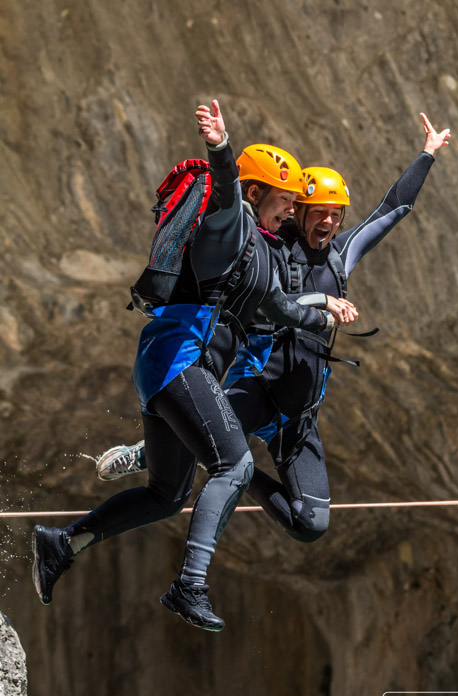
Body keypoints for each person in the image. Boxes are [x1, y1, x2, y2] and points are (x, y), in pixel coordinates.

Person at [32, 100, 353, 632]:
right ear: (256, 194)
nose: (287, 213)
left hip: (167, 362)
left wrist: (321, 318)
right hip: (177, 359)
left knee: (167, 495)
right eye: (282, 201)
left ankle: (63, 543)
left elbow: (276, 307)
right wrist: (222, 148)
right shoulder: (231, 222)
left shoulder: (258, 250)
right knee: (236, 465)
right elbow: (227, 191)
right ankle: (190, 587)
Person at [97, 113, 450, 544]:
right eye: (318, 212)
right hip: (256, 389)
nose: (329, 223)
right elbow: (266, 309)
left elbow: (394, 209)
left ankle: (214, 463)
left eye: (336, 215)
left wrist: (427, 154)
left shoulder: (341, 255)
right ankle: (148, 453)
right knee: (212, 446)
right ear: (296, 211)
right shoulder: (269, 248)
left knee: (310, 525)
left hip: (299, 411)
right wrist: (321, 303)